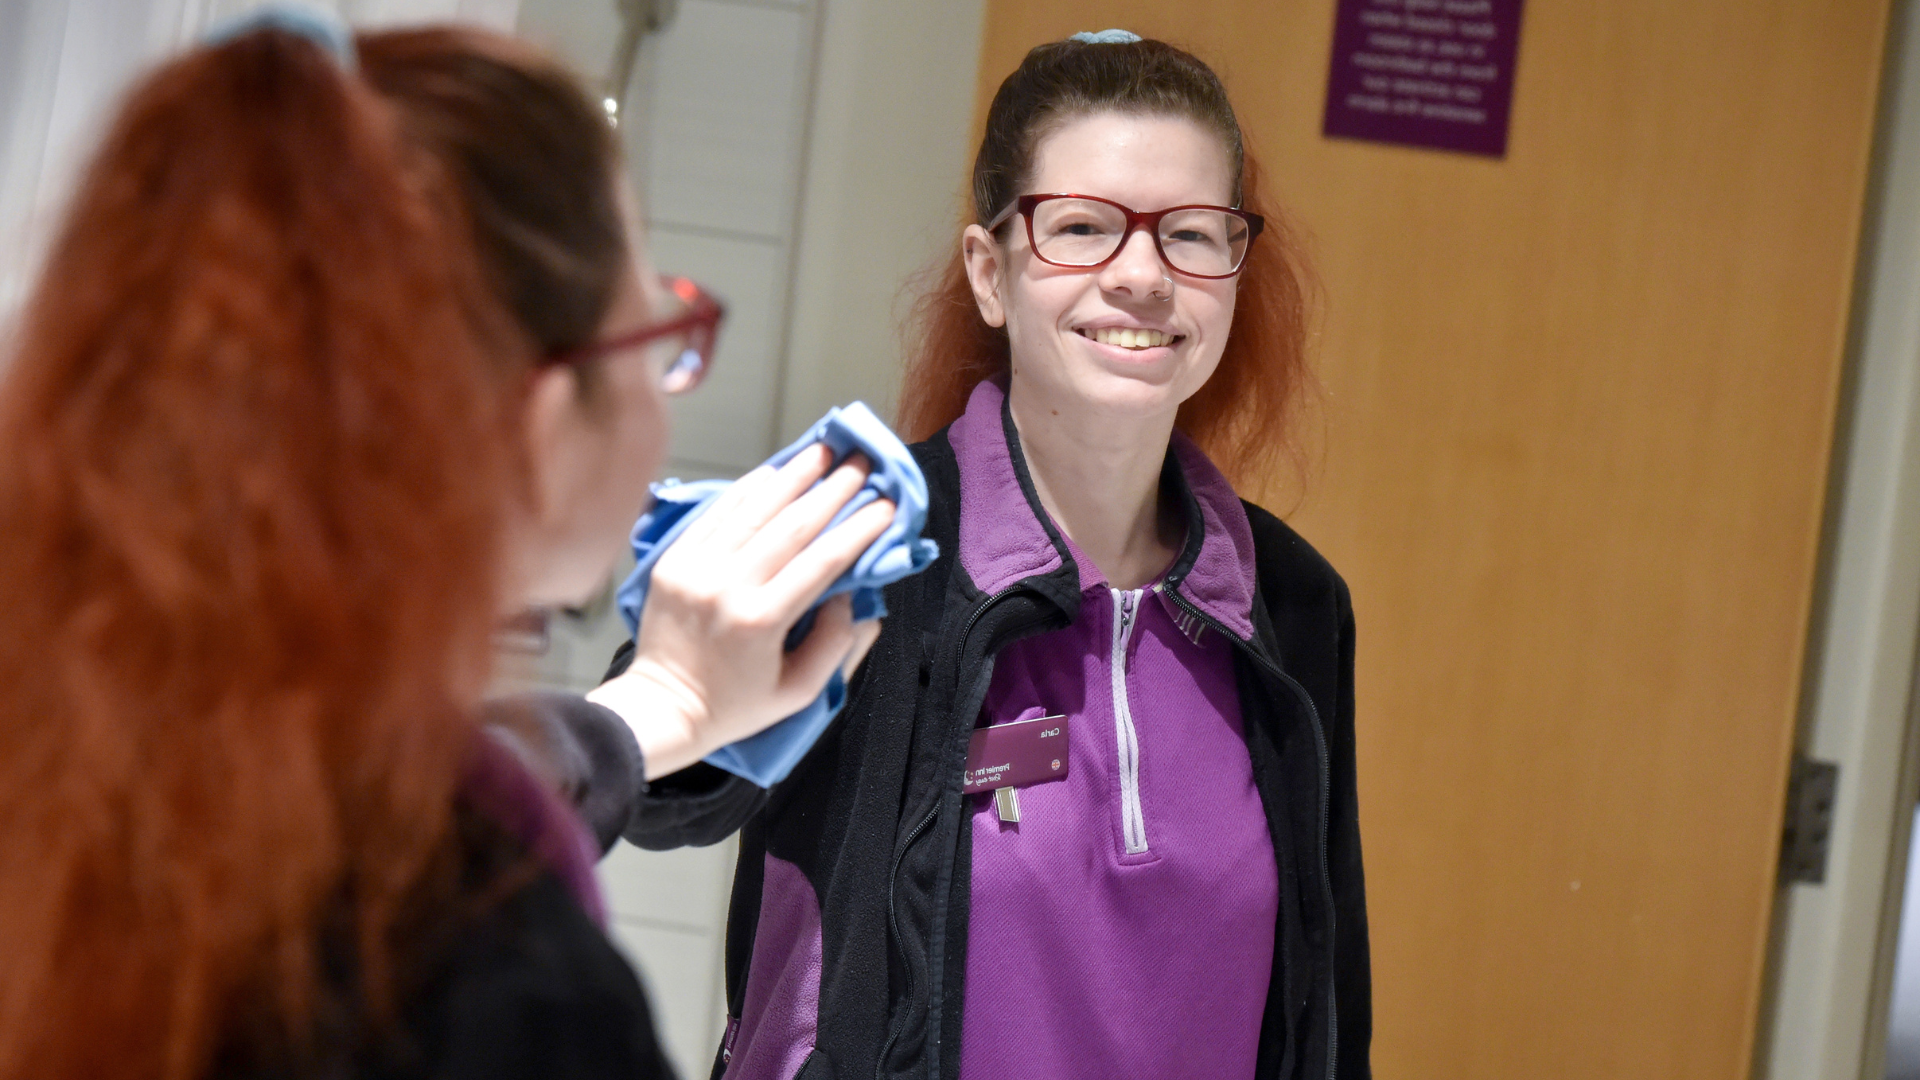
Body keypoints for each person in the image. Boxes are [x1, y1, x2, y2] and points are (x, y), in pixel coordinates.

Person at [0, 18, 889, 1080]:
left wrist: (664, 710)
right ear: (544, 424)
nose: (666, 385)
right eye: (658, 334)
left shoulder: (89, 780)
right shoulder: (513, 1002)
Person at [608, 31, 1371, 1080]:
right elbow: (650, 785)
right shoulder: (866, 549)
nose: (1142, 275)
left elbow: (1328, 1005)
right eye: (1082, 228)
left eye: (1193, 235)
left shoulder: (1292, 603)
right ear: (990, 272)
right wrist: (667, 682)